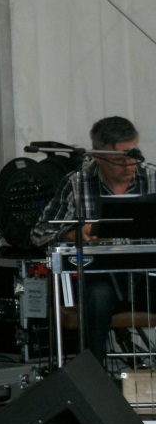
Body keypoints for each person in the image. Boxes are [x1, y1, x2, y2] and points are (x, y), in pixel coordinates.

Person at [30, 116, 156, 365]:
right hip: (101, 280)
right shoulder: (77, 183)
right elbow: (38, 233)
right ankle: (95, 376)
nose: (129, 164)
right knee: (97, 297)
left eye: (133, 155)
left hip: (146, 277)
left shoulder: (152, 177)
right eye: (119, 159)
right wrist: (70, 233)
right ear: (97, 156)